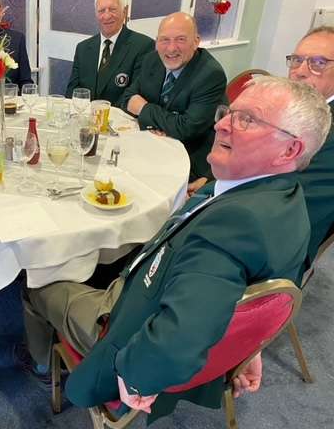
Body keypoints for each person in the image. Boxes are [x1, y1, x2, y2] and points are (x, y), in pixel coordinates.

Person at [21, 76, 330, 422]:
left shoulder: (236, 224)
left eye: (247, 119)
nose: (222, 125)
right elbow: (270, 285)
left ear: (290, 151)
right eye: (229, 112)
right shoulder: (285, 200)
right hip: (154, 283)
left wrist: (136, 377)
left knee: (36, 279)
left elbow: (179, 338)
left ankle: (39, 363)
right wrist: (248, 342)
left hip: (123, 328)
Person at [122, 12, 227, 184]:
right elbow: (127, 98)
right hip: (153, 145)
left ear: (196, 42)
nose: (171, 48)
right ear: (157, 42)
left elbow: (186, 128)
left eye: (180, 39)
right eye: (164, 40)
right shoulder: (151, 60)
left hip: (190, 159)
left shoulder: (210, 75)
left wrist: (144, 109)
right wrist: (165, 123)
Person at [287, 25, 334, 267]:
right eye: (296, 60)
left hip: (278, 246)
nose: (300, 72)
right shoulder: (299, 105)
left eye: (318, 63)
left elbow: (296, 207)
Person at [65, 0, 153, 106]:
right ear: (96, 14)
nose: (106, 16)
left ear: (124, 11)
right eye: (101, 11)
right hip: (85, 115)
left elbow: (135, 97)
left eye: (112, 9)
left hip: (119, 117)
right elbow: (72, 93)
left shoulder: (143, 46)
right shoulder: (83, 48)